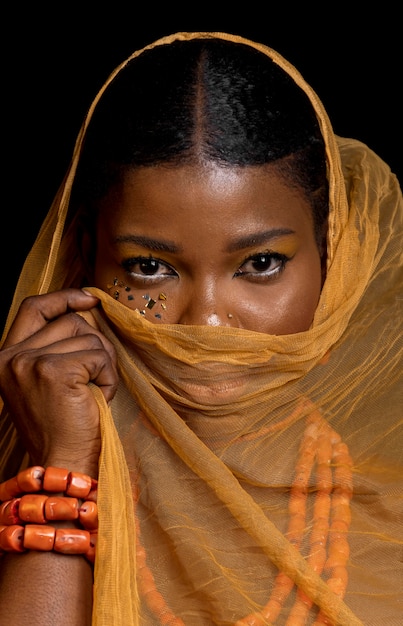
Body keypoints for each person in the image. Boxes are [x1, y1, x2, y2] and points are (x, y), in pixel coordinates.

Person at [0, 31, 401, 626]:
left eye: (260, 264)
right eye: (150, 268)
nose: (208, 323)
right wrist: (64, 461)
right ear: (87, 257)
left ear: (332, 257)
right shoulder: (31, 464)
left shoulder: (388, 500)